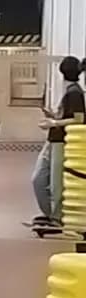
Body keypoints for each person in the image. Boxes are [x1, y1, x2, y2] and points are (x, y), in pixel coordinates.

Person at [31, 56, 85, 227]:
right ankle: (50, 213)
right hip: (53, 139)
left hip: (61, 141)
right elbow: (68, 117)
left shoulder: (75, 93)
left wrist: (54, 123)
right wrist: (54, 116)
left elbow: (79, 119)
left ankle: (57, 217)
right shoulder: (70, 91)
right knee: (39, 179)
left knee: (56, 184)